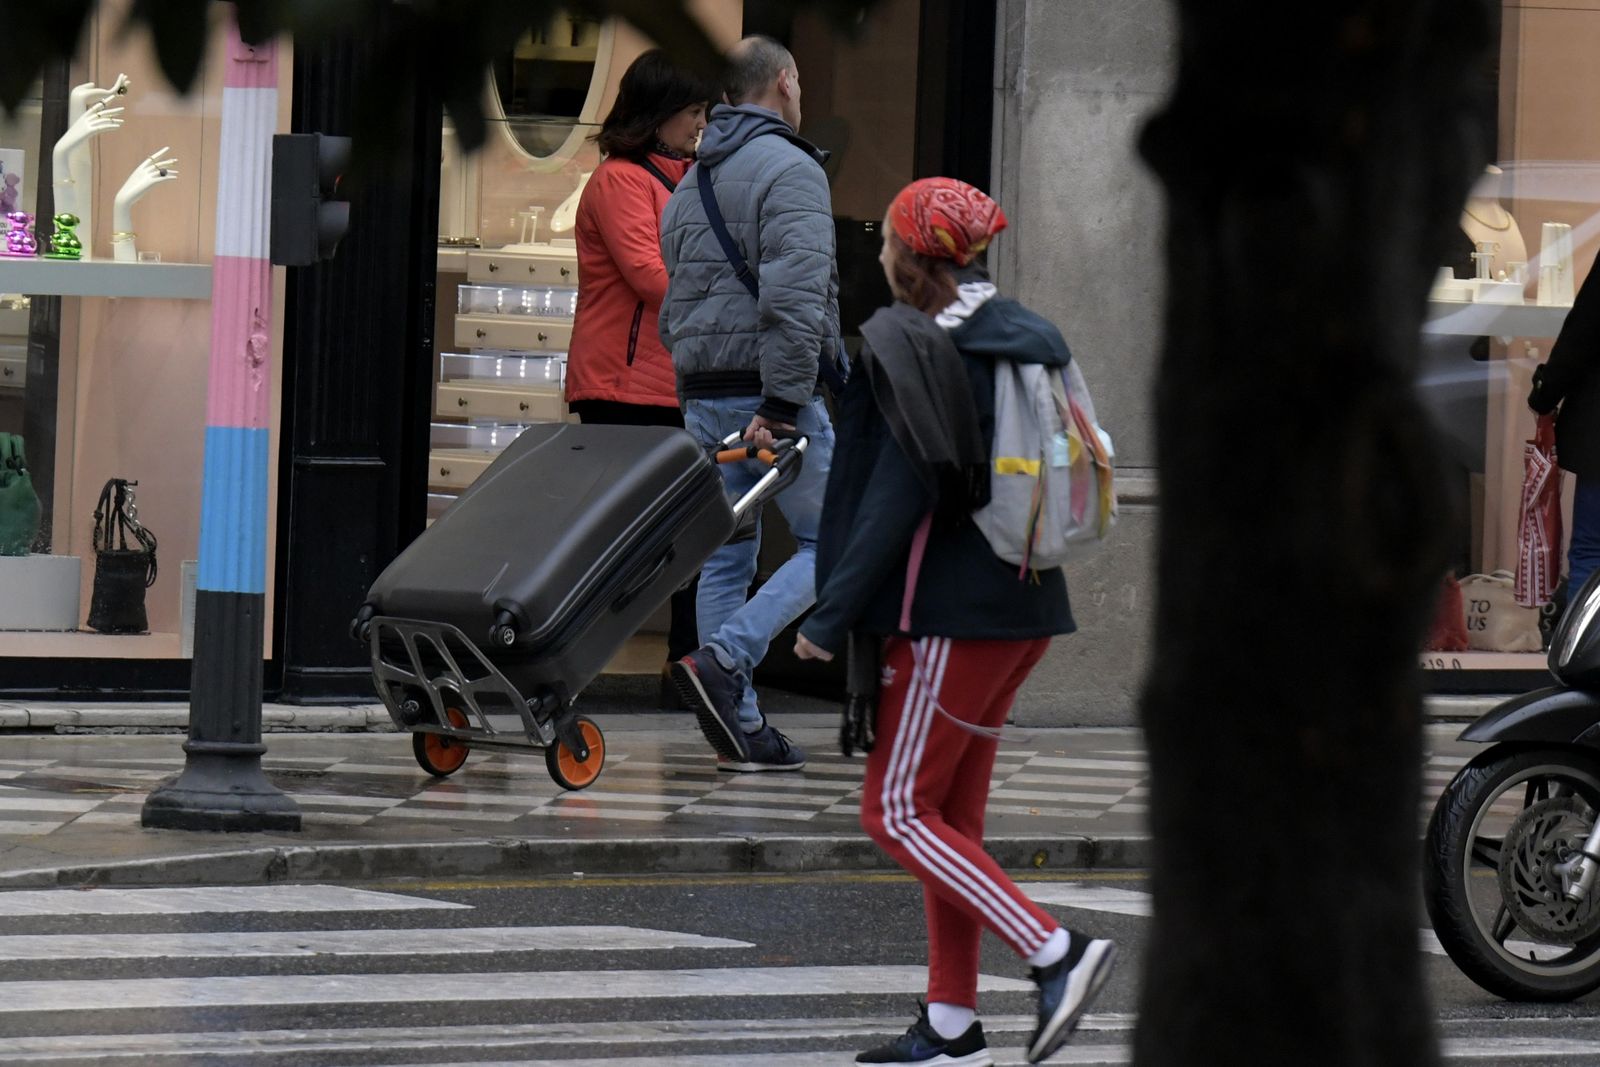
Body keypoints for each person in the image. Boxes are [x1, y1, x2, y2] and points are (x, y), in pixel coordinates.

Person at [795, 178, 1117, 1065]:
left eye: (888, 242)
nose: (880, 256)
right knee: (949, 820)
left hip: (951, 615)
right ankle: (951, 1022)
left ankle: (1059, 950)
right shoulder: (1021, 333)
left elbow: (895, 496)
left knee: (895, 809)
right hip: (1025, 604)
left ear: (911, 255)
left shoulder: (920, 350)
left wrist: (827, 617)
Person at [659, 35, 840, 772]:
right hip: (767, 395)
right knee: (840, 543)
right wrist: (786, 401)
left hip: (703, 396)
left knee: (727, 553)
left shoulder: (686, 184)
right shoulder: (791, 170)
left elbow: (679, 302)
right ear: (787, 83)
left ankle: (742, 727)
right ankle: (726, 661)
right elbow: (796, 302)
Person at [566, 50, 715, 690]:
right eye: (692, 112)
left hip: (672, 381)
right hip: (625, 386)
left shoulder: (680, 177)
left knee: (691, 536)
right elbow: (652, 278)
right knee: (623, 539)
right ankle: (572, 659)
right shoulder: (622, 181)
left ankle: (687, 665)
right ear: (658, 116)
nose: (701, 125)